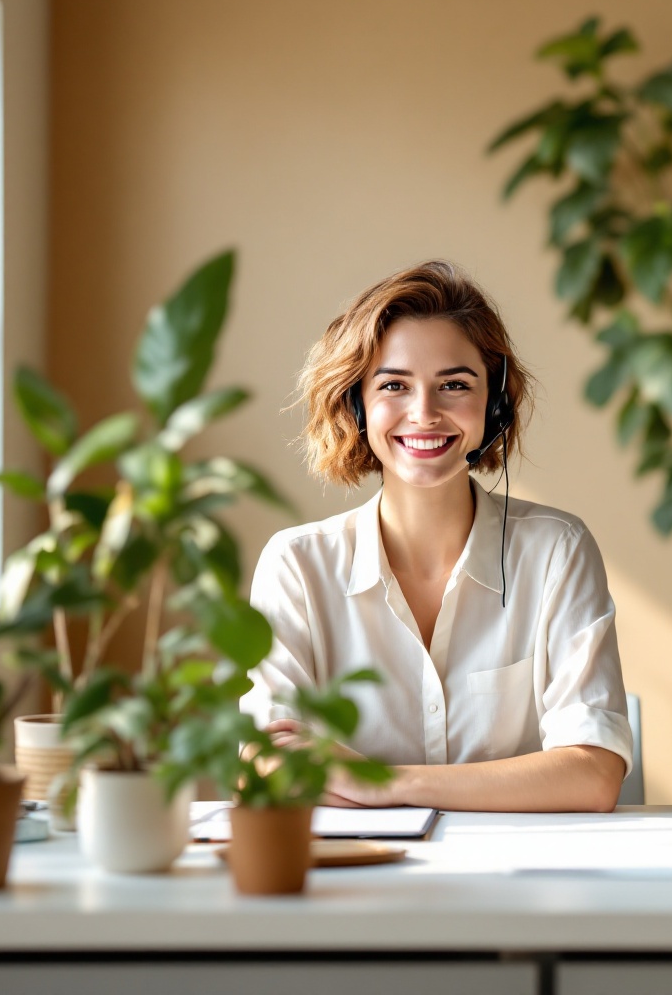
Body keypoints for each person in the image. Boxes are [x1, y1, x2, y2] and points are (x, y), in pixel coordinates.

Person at [245, 260, 632, 812]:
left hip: (517, 884)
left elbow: (593, 775)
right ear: (356, 403)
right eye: (394, 386)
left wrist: (387, 784)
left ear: (493, 403)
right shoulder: (297, 565)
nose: (424, 413)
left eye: (454, 384)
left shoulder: (556, 550)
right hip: (354, 885)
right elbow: (271, 764)